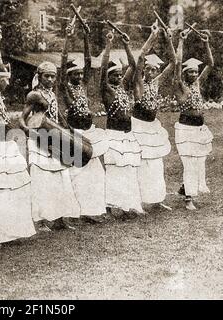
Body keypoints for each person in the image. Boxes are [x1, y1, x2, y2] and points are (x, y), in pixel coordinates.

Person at [0, 26, 36, 245]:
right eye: (6, 79)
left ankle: (9, 229)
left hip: (6, 146)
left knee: (13, 189)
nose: (8, 81)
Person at [20, 61, 80, 231]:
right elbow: (22, 118)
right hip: (39, 140)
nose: (50, 79)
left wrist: (68, 128)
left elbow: (57, 115)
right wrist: (27, 131)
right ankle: (40, 220)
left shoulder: (52, 95)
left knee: (61, 178)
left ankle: (60, 218)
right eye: (47, 76)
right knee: (42, 181)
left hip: (54, 138)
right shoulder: (34, 95)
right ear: (39, 77)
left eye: (53, 76)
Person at [59, 23, 109, 223]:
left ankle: (92, 210)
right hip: (75, 133)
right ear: (69, 76)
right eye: (75, 74)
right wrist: (68, 38)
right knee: (77, 173)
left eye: (80, 74)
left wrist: (87, 37)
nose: (79, 76)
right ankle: (77, 210)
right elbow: (62, 66)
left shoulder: (85, 85)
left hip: (90, 131)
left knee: (95, 173)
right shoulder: (65, 88)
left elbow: (89, 62)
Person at [100, 31, 143, 220]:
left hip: (127, 135)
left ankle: (127, 206)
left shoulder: (124, 88)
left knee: (128, 171)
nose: (118, 78)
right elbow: (102, 69)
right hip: (114, 135)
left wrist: (126, 44)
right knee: (115, 171)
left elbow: (134, 66)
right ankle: (110, 208)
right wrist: (109, 44)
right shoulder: (106, 90)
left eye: (119, 75)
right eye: (114, 75)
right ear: (109, 78)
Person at [132, 22, 175, 211]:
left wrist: (169, 39)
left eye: (153, 70)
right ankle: (139, 202)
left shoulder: (156, 84)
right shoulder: (139, 83)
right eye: (147, 69)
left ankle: (157, 200)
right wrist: (152, 36)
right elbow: (140, 57)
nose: (150, 72)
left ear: (157, 71)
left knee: (156, 164)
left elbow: (174, 63)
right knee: (141, 164)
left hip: (153, 127)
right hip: (138, 126)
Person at [173, 28, 214, 210]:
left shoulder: (197, 83)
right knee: (189, 163)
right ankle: (188, 198)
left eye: (196, 72)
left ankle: (185, 188)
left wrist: (205, 43)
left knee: (199, 161)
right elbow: (177, 62)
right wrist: (181, 41)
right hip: (185, 129)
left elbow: (211, 64)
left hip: (199, 129)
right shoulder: (179, 86)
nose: (194, 75)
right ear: (184, 74)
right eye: (190, 72)